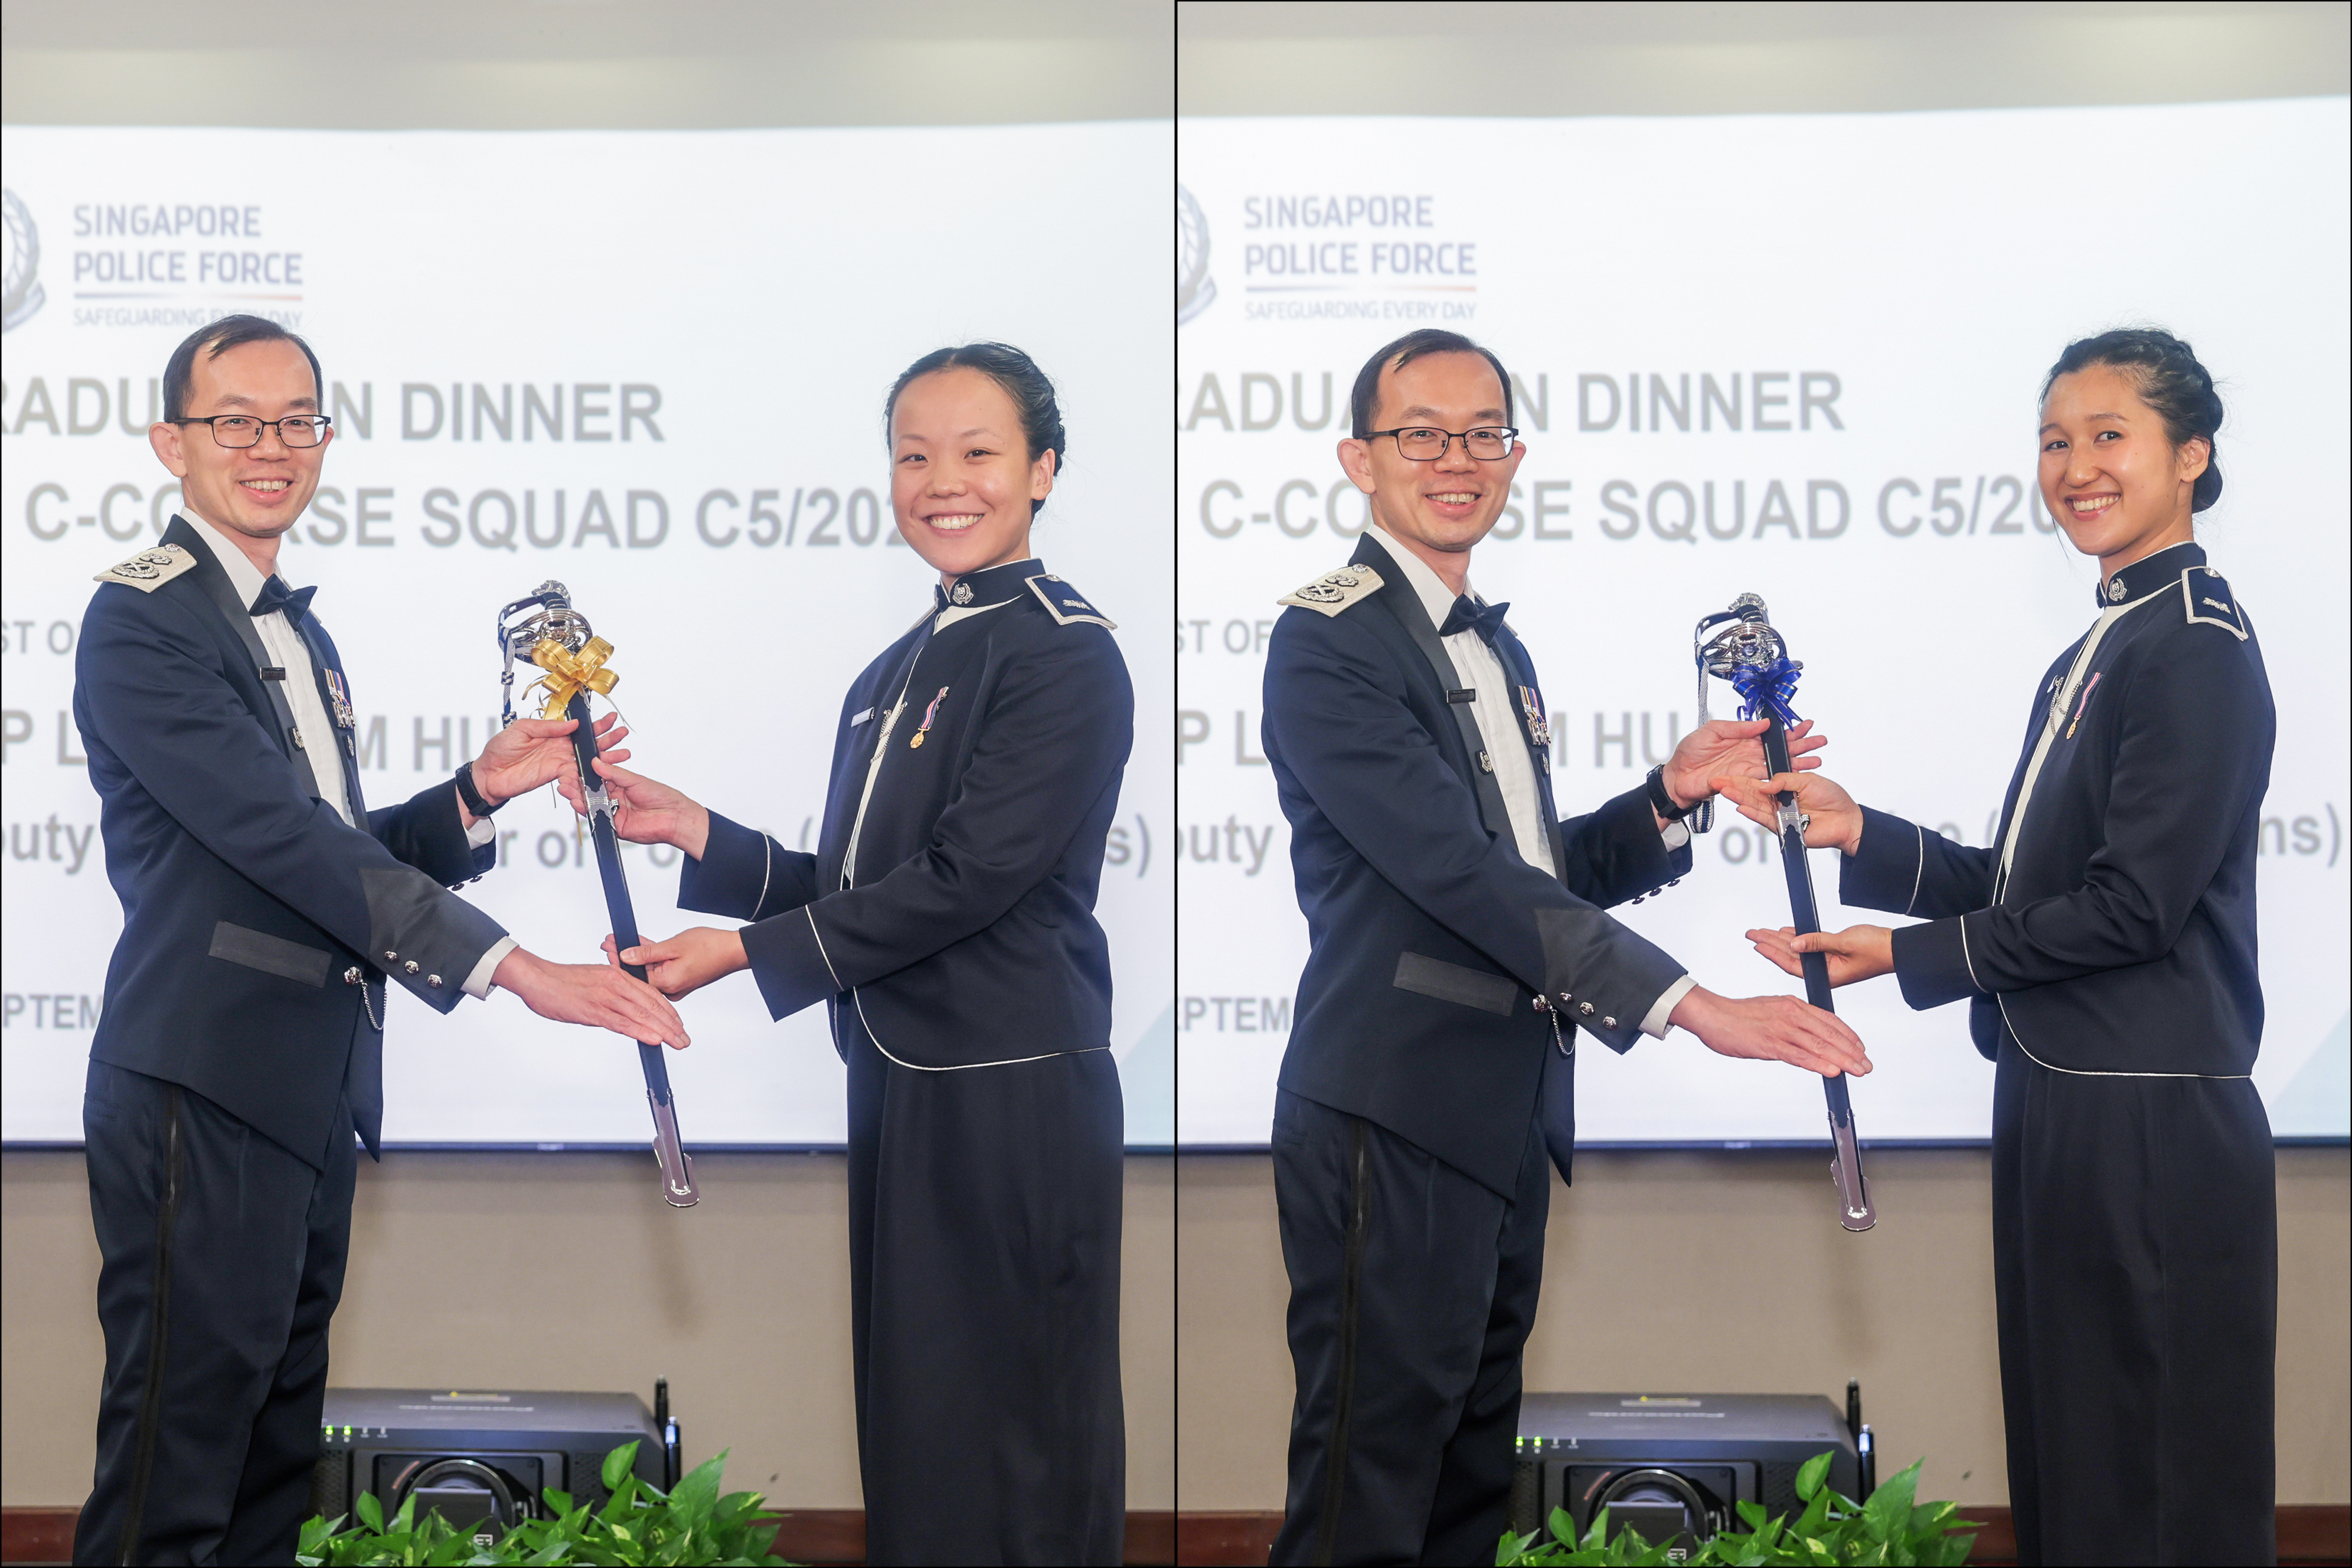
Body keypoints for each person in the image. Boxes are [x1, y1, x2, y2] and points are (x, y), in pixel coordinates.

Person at [68, 315, 689, 1568]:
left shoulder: (297, 628)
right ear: (169, 444)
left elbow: (334, 848)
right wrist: (514, 967)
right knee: (174, 1473)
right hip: (206, 1081)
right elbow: (287, 845)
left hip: (302, 1095)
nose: (270, 446)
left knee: (266, 1471)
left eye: (296, 421)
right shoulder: (143, 621)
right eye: (235, 421)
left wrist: (477, 789)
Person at [1259, 328, 1874, 1567]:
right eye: (1420, 433)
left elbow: (1531, 873)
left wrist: (1668, 792)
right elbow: (1455, 873)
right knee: (1366, 1493)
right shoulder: (1329, 639)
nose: (1457, 458)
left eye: (1483, 432)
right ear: (1357, 460)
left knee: (1467, 1485)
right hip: (1395, 1106)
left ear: (1515, 454)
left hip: (1500, 1114)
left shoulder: (1496, 643)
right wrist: (1692, 1005)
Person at [1719, 328, 2274, 1567]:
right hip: (2066, 1096)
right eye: (2054, 440)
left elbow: (2135, 906)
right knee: (2078, 1475)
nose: (2075, 465)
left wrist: (1908, 964)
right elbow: (2024, 886)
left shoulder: (2191, 641)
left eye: (2108, 435)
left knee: (2157, 1489)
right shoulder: (2102, 644)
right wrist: (1856, 830)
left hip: (2147, 1119)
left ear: (2191, 455)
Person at [571, 344, 1132, 1566]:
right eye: (914, 453)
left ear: (1042, 469)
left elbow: (972, 879)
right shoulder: (899, 666)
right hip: (903, 1083)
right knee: (925, 1433)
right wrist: (699, 833)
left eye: (979, 452)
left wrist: (742, 955)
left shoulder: (1063, 650)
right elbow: (862, 887)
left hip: (1011, 1092)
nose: (943, 480)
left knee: (1021, 1442)